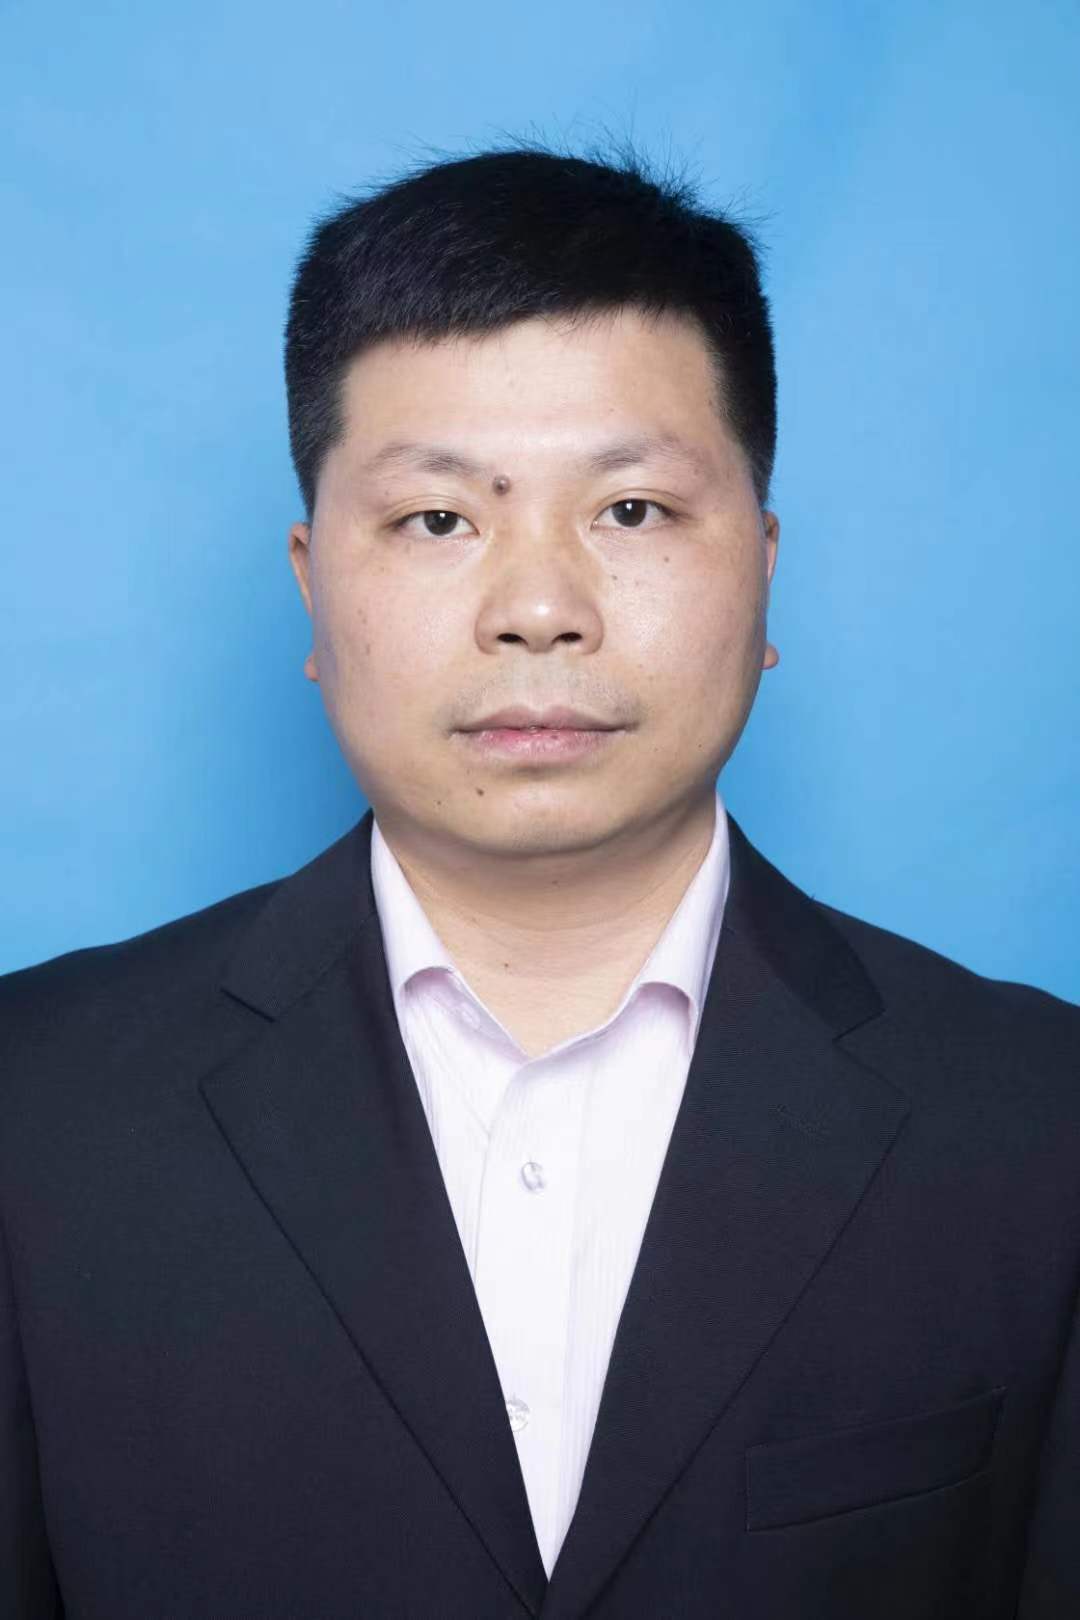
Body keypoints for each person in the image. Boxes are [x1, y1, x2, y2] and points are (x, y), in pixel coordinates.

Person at [1, 141, 1077, 1620]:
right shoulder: (33, 1107)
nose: (540, 610)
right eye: (439, 519)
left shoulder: (1038, 1124)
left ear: (764, 567)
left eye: (631, 511)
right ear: (312, 585)